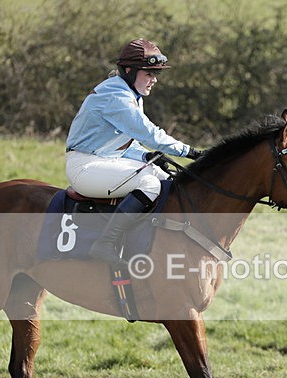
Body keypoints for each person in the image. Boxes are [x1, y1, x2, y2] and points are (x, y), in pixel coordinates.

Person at [65, 38, 202, 268]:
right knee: (150, 183)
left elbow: (125, 143)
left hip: (106, 161)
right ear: (129, 71)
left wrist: (146, 156)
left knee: (166, 179)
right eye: (149, 73)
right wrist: (191, 152)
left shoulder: (129, 93)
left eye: (155, 74)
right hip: (85, 168)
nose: (154, 80)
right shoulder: (116, 97)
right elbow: (151, 135)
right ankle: (105, 243)